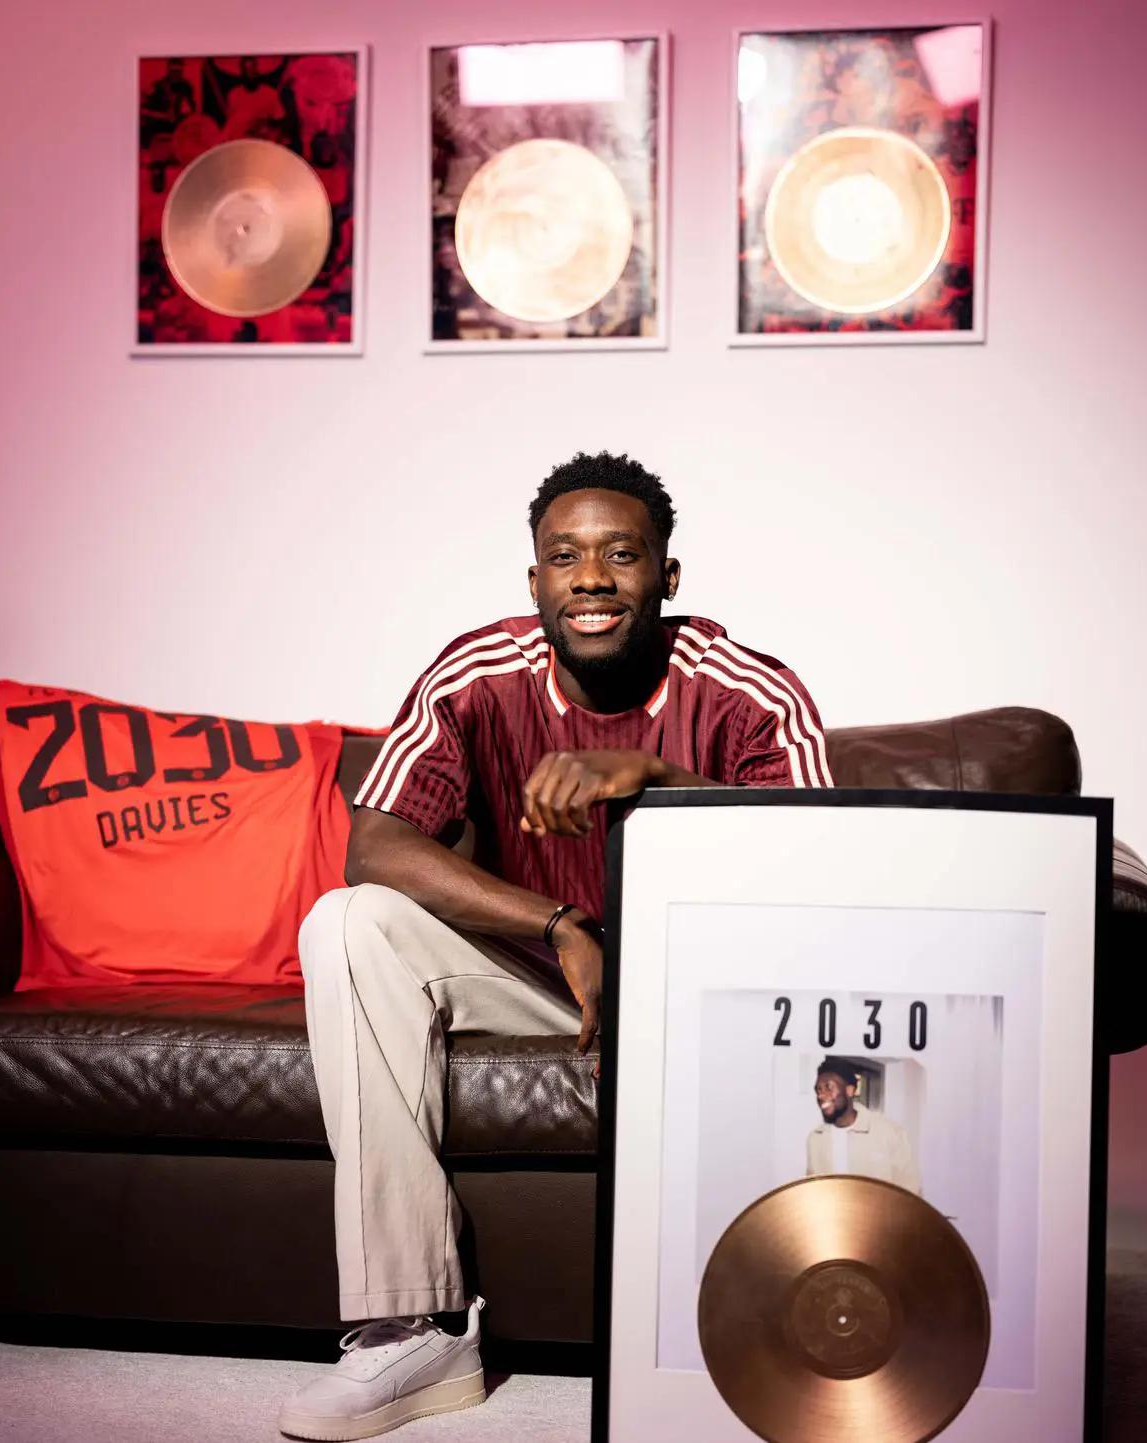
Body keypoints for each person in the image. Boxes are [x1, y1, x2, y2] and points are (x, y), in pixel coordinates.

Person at [279, 451, 833, 1440]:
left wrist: (657, 780)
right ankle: (413, 1328)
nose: (591, 579)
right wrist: (557, 922)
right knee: (348, 921)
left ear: (666, 575)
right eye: (565, 557)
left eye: (621, 554)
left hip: (709, 986)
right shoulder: (476, 673)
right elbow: (376, 844)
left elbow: (826, 862)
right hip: (550, 974)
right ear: (534, 580)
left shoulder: (750, 690)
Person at [806, 1057, 922, 1194]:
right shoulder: (815, 1139)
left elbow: (911, 1193)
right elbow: (812, 1191)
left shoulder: (889, 1132)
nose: (821, 1096)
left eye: (828, 1087)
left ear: (850, 1091)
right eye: (818, 1090)